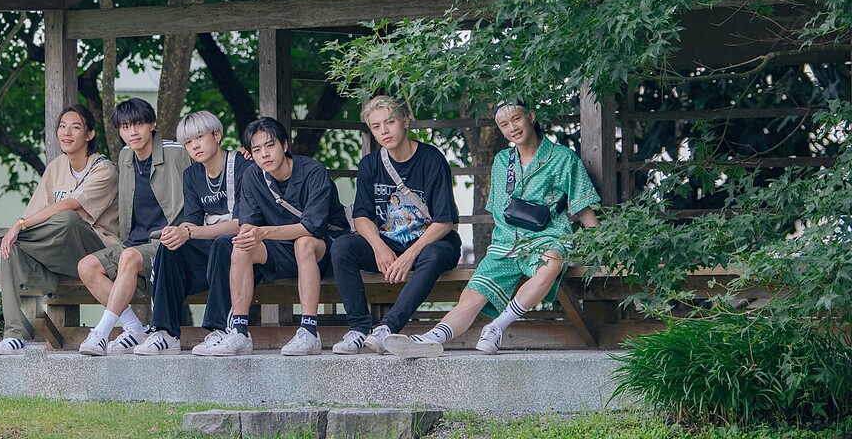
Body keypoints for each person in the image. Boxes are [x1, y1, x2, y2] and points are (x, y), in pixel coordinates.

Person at [383, 100, 600, 357]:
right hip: (505, 243)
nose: (512, 128)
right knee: (472, 295)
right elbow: (499, 210)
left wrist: (600, 248)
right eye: (504, 124)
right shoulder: (502, 161)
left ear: (531, 117)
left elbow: (584, 208)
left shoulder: (563, 158)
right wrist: (504, 244)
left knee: (551, 264)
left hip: (547, 238)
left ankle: (496, 327)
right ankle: (430, 338)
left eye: (516, 119)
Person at [0, 104, 119, 355]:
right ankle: (14, 335)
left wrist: (18, 226)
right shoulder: (56, 167)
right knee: (13, 247)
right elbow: (34, 215)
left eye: (75, 127)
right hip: (59, 256)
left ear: (89, 134)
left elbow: (70, 205)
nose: (66, 132)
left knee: (67, 218)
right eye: (62, 126)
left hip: (94, 253)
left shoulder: (103, 169)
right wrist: (16, 231)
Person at [330, 95, 462, 355]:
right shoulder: (370, 164)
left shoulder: (431, 159)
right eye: (376, 126)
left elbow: (444, 221)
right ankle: (358, 329)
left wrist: (409, 255)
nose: (384, 131)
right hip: (389, 244)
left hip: (430, 243)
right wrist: (378, 246)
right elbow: (361, 216)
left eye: (389, 122)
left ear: (405, 122)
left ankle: (387, 328)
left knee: (435, 254)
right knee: (342, 247)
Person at [208, 116, 350, 356]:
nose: (264, 154)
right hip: (280, 249)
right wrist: (251, 234)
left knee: (304, 243)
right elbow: (248, 223)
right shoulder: (252, 176)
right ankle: (240, 331)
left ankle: (309, 331)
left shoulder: (313, 171)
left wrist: (264, 232)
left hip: (323, 249)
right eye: (256, 149)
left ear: (284, 145)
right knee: (242, 245)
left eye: (270, 145)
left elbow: (311, 227)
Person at [132, 110, 255, 356]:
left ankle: (221, 329)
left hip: (245, 248)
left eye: (199, 137)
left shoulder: (242, 165)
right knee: (169, 247)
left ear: (217, 136)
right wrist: (179, 232)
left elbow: (242, 223)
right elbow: (192, 220)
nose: (194, 146)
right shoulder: (192, 174)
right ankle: (165, 332)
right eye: (188, 142)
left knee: (223, 243)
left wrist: (190, 233)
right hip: (211, 247)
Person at [76, 97, 189, 356]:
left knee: (129, 256)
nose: (132, 132)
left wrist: (241, 155)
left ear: (152, 124)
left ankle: (101, 333)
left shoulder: (176, 152)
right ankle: (135, 328)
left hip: (167, 243)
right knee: (87, 266)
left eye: (138, 124)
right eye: (125, 127)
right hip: (134, 243)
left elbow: (208, 163)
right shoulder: (126, 155)